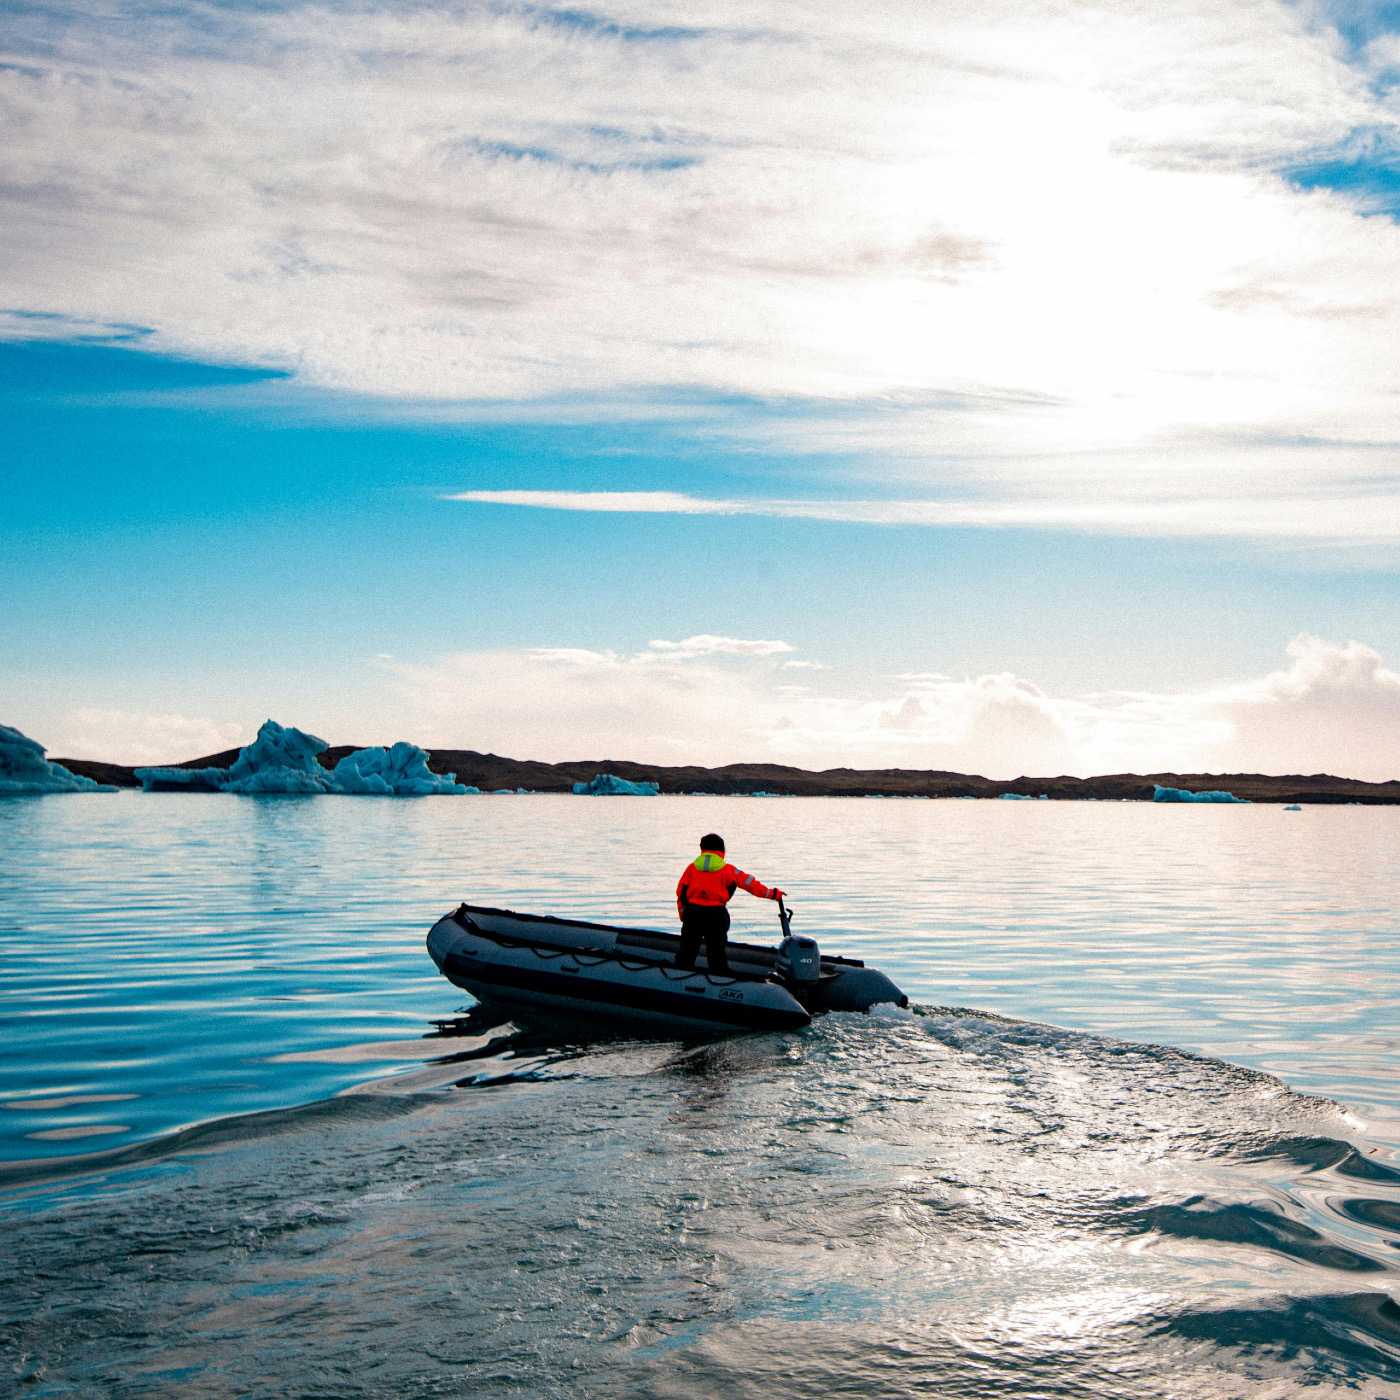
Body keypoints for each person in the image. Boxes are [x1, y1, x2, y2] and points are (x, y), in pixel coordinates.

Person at [675, 833, 784, 974]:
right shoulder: (728, 870)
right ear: (722, 850)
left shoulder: (691, 868)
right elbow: (750, 884)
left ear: (702, 849)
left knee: (687, 950)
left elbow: (681, 893)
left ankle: (678, 974)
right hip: (716, 915)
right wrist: (773, 894)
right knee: (716, 952)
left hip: (693, 913)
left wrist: (683, 914)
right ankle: (720, 977)